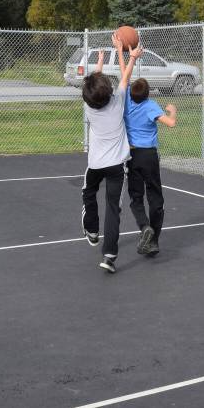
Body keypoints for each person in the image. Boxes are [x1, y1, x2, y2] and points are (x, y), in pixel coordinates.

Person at [81, 35, 141, 274]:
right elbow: (125, 76)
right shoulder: (117, 103)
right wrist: (127, 54)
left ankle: (92, 229)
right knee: (113, 208)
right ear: (108, 92)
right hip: (116, 165)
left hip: (96, 165)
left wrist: (100, 61)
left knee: (88, 193)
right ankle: (109, 255)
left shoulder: (88, 106)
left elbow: (93, 88)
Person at [124, 74, 177, 256]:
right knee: (155, 198)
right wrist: (172, 111)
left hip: (132, 155)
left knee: (136, 197)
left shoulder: (127, 103)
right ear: (148, 94)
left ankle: (144, 226)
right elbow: (171, 123)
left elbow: (125, 76)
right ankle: (153, 241)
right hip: (149, 156)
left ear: (131, 93)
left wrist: (124, 53)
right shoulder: (150, 106)